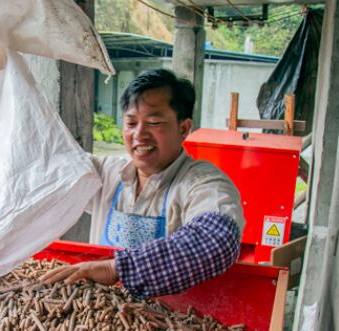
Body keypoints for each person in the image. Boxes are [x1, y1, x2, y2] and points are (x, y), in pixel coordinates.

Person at [42, 69, 244, 298]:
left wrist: (115, 268)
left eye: (154, 122)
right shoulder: (107, 172)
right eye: (131, 123)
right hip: (100, 311)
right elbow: (48, 168)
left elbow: (217, 240)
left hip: (170, 318)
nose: (139, 134)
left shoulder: (204, 183)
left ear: (183, 128)